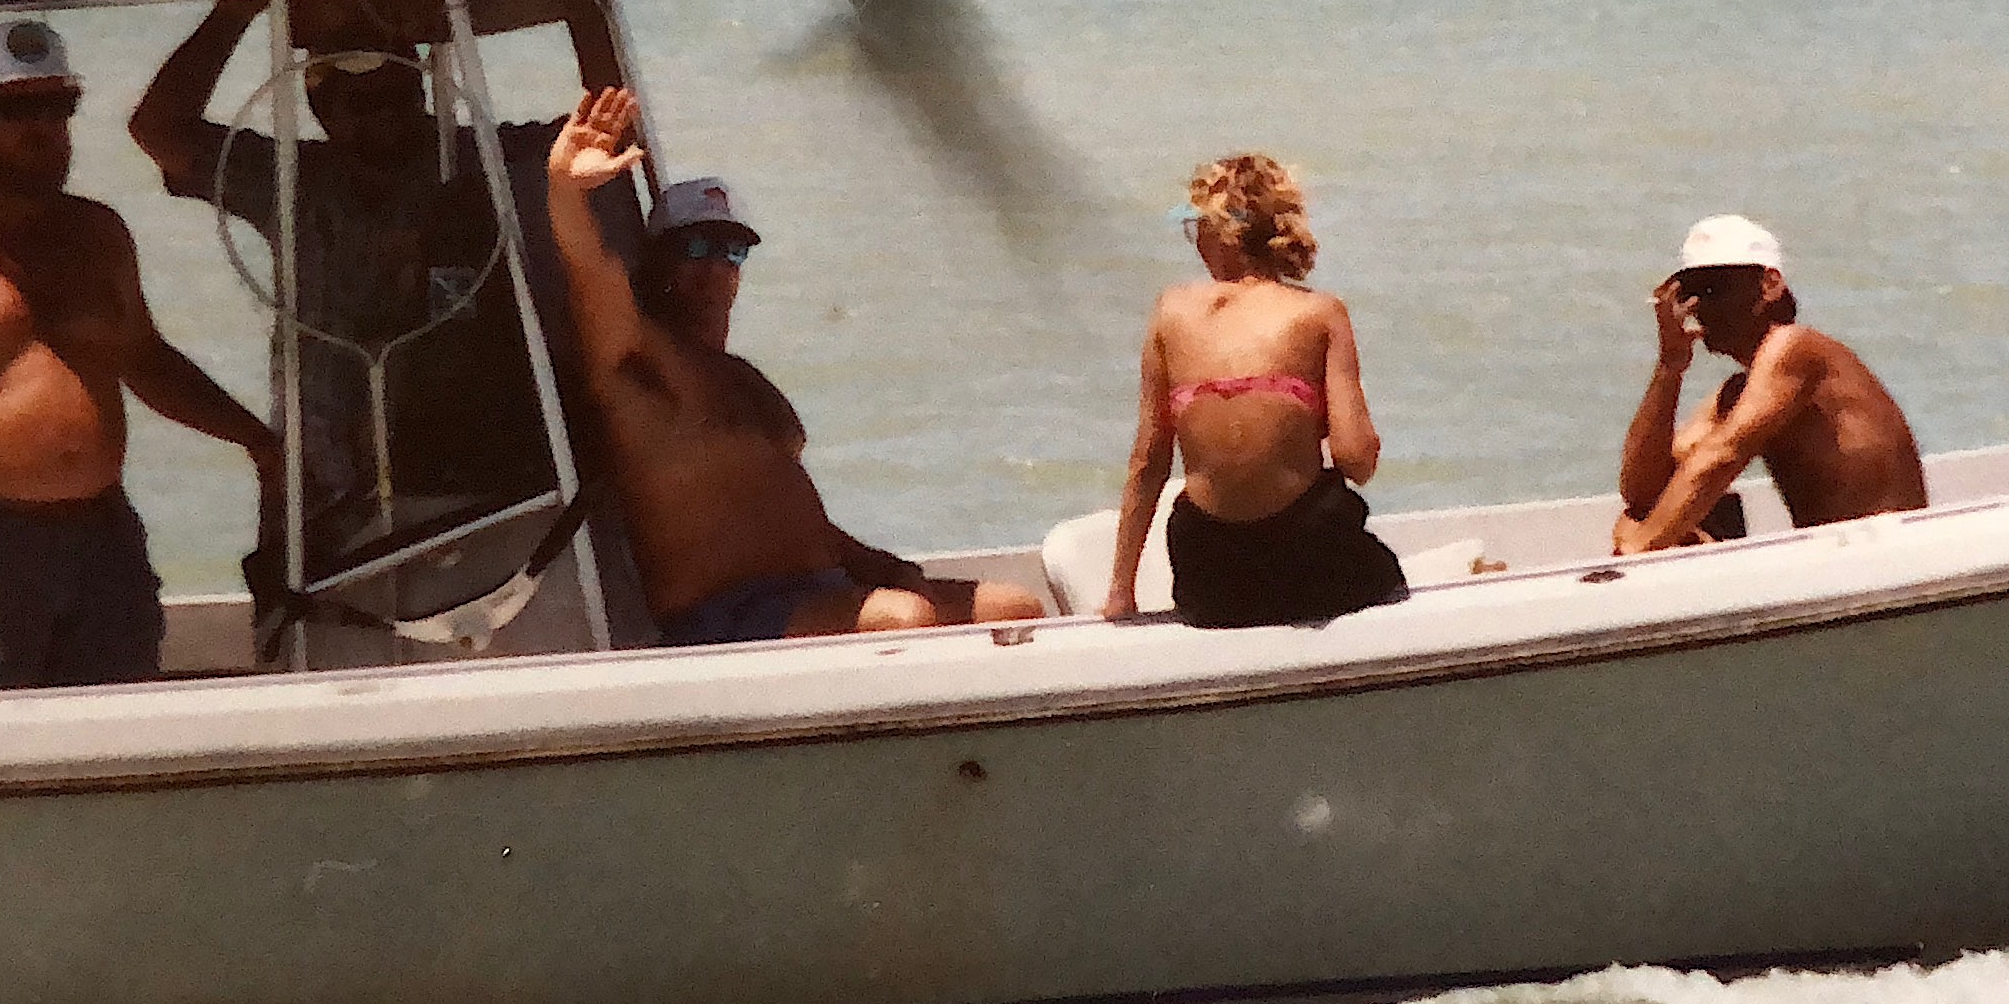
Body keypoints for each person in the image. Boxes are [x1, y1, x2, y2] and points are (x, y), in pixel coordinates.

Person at [0, 15, 281, 691]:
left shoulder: (99, 233)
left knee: (114, 726)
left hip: (100, 535)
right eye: (16, 108)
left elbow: (146, 360)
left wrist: (256, 440)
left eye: (59, 104)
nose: (43, 126)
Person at [543, 88, 1046, 645]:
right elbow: (592, 272)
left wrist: (878, 565)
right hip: (723, 615)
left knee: (1014, 605)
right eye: (694, 249)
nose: (714, 268)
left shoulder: (745, 381)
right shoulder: (640, 368)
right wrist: (566, 190)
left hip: (823, 588)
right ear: (655, 262)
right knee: (906, 620)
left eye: (730, 252)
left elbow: (786, 510)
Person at [126, 0, 550, 541]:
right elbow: (156, 130)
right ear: (320, 106)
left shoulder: (476, 158)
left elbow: (605, 132)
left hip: (471, 465)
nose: (381, 114)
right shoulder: (290, 179)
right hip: (326, 476)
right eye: (356, 101)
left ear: (419, 88)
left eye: (392, 94)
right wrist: (232, 12)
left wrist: (571, 5)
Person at [1105, 152, 1406, 629]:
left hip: (1209, 574)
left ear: (1219, 232)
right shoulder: (1320, 313)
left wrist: (1120, 593)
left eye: (1194, 227)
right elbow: (1356, 459)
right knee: (1384, 577)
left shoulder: (1170, 312)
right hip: (1307, 553)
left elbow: (1149, 461)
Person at [1613, 214, 1926, 554]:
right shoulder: (1741, 392)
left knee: (1651, 528)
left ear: (1770, 284)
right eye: (1688, 293)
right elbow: (1643, 491)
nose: (1698, 306)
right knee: (1644, 517)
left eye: (1713, 288)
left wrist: (1639, 551)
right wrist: (1669, 367)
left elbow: (1722, 457)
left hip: (1885, 553)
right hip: (1835, 557)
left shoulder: (1795, 348)